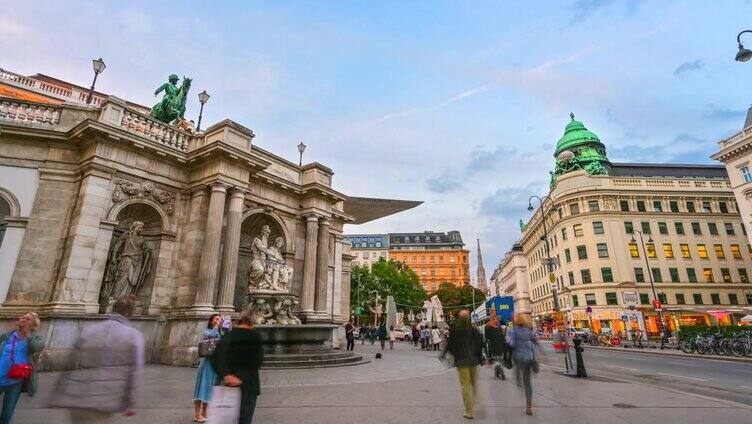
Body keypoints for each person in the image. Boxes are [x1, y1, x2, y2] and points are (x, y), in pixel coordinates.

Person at [51, 296, 144, 423]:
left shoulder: (91, 329)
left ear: (113, 309)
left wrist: (59, 393)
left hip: (77, 396)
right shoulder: (133, 336)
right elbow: (135, 371)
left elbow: (71, 362)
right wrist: (130, 403)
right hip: (103, 400)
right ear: (130, 313)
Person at [213, 309, 265, 424]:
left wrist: (226, 375)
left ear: (240, 320)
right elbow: (258, 360)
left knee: (226, 419)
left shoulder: (229, 336)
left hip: (229, 384)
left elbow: (217, 357)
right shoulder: (256, 337)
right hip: (249, 384)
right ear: (253, 322)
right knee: (245, 419)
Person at [0, 312, 43, 424]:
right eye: (23, 317)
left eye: (28, 319)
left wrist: (28, 335)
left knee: (8, 410)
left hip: (16, 379)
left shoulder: (35, 337)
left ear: (33, 324)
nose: (23, 319)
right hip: (1, 375)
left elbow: (38, 347)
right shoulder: (8, 335)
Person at [440, 310, 484, 420]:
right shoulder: (474, 330)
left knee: (465, 385)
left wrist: (444, 354)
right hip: (473, 360)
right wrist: (480, 357)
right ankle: (475, 397)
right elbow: (480, 344)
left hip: (462, 361)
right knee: (473, 382)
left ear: (459, 318)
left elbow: (450, 343)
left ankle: (469, 411)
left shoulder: (455, 330)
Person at [509, 313, 539, 416]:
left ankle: (518, 380)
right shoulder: (528, 330)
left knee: (519, 373)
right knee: (528, 382)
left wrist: (509, 342)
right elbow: (535, 342)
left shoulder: (513, 331)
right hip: (530, 358)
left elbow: (512, 344)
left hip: (520, 358)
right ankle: (529, 406)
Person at [193, 314, 222, 422]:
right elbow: (208, 337)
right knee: (201, 389)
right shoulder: (207, 332)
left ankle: (205, 412)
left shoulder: (221, 333)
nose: (219, 321)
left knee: (209, 390)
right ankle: (197, 414)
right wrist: (216, 327)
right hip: (206, 364)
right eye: (217, 319)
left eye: (220, 319)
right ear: (211, 321)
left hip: (215, 364)